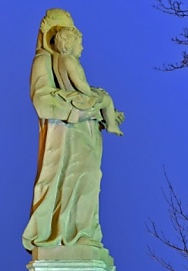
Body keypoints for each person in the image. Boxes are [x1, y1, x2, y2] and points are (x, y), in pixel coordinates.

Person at [22, 9, 124, 253]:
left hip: (85, 132)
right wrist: (86, 108)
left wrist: (101, 114)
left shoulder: (66, 62)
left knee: (90, 179)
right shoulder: (43, 61)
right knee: (73, 180)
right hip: (64, 136)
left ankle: (83, 232)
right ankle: (69, 234)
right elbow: (42, 100)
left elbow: (82, 93)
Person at [51, 25, 123, 136]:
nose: (82, 48)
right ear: (69, 45)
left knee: (99, 93)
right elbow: (78, 83)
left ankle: (110, 117)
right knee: (106, 99)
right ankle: (111, 125)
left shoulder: (58, 59)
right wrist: (91, 93)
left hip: (71, 96)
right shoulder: (69, 61)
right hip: (78, 100)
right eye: (80, 44)